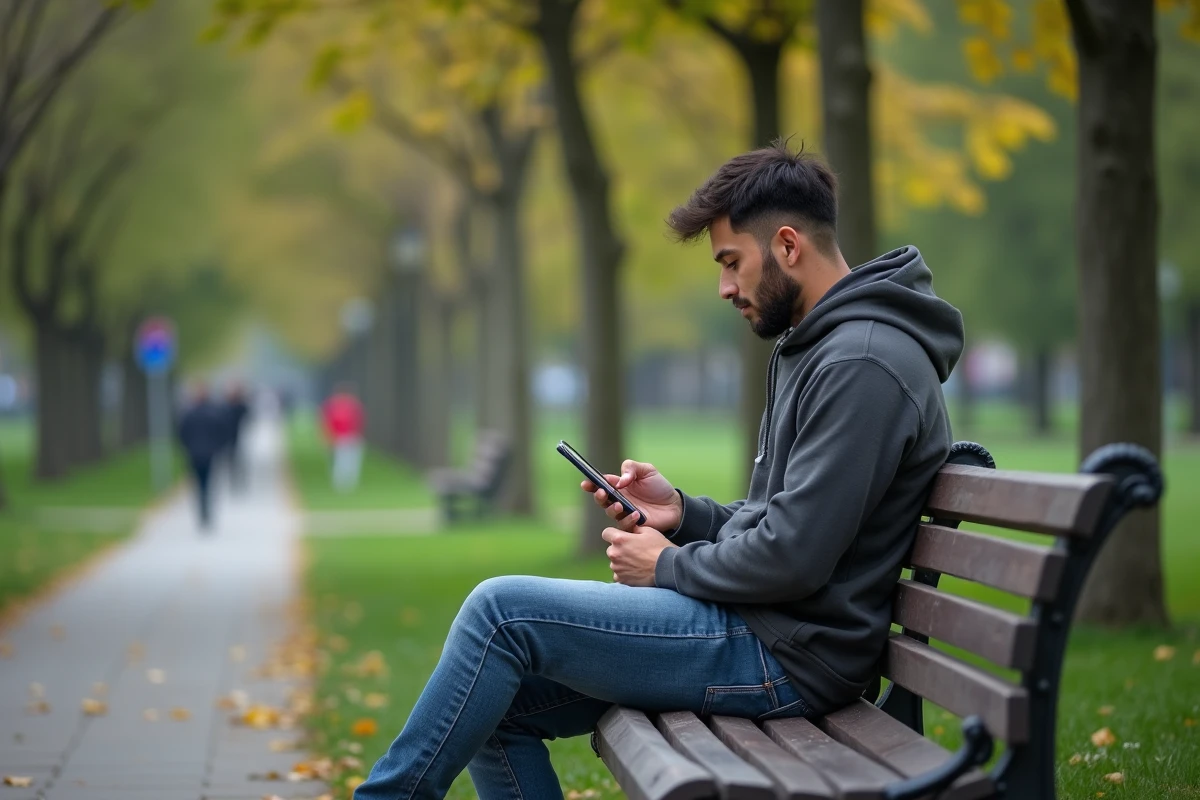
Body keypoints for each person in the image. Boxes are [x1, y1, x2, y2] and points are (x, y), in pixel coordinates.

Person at [354, 142, 965, 799]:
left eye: (732, 263)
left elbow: (795, 557)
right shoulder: (825, 347)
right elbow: (785, 521)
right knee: (488, 698)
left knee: (499, 613)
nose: (726, 288)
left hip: (785, 657)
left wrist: (665, 565)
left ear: (788, 245)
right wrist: (684, 513)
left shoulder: (860, 364)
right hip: (770, 632)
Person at [177, 382, 228, 531]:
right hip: (209, 454)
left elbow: (181, 433)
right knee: (208, 483)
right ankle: (206, 511)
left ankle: (202, 511)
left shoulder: (188, 413)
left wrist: (186, 448)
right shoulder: (215, 413)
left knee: (198, 484)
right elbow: (223, 433)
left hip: (194, 454)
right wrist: (218, 448)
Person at [321, 384, 365, 492]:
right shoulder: (332, 406)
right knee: (341, 461)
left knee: (352, 461)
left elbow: (360, 420)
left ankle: (350, 483)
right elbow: (326, 422)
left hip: (352, 436)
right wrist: (328, 436)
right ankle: (340, 484)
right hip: (339, 437)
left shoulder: (354, 405)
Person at [222, 382, 251, 492]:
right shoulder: (225, 406)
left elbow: (247, 414)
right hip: (227, 437)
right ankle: (233, 478)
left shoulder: (240, 406)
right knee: (231, 459)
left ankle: (239, 479)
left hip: (238, 436)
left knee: (239, 458)